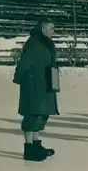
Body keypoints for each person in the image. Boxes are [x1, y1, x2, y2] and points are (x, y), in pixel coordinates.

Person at [13, 19, 59, 162]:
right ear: (42, 29)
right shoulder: (33, 42)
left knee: (41, 115)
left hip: (45, 84)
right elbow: (24, 63)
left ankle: (36, 145)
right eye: (51, 28)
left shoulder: (46, 42)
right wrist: (19, 78)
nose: (53, 31)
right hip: (34, 86)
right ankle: (29, 148)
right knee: (32, 115)